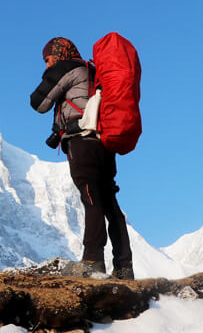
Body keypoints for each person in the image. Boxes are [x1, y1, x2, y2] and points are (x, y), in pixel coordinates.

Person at [30, 37, 134, 279]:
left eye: (48, 59)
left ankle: (92, 259)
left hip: (81, 140)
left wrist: (51, 75)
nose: (47, 65)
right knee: (110, 202)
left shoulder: (66, 67)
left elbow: (39, 103)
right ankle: (124, 265)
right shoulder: (95, 71)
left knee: (90, 195)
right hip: (104, 142)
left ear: (58, 54)